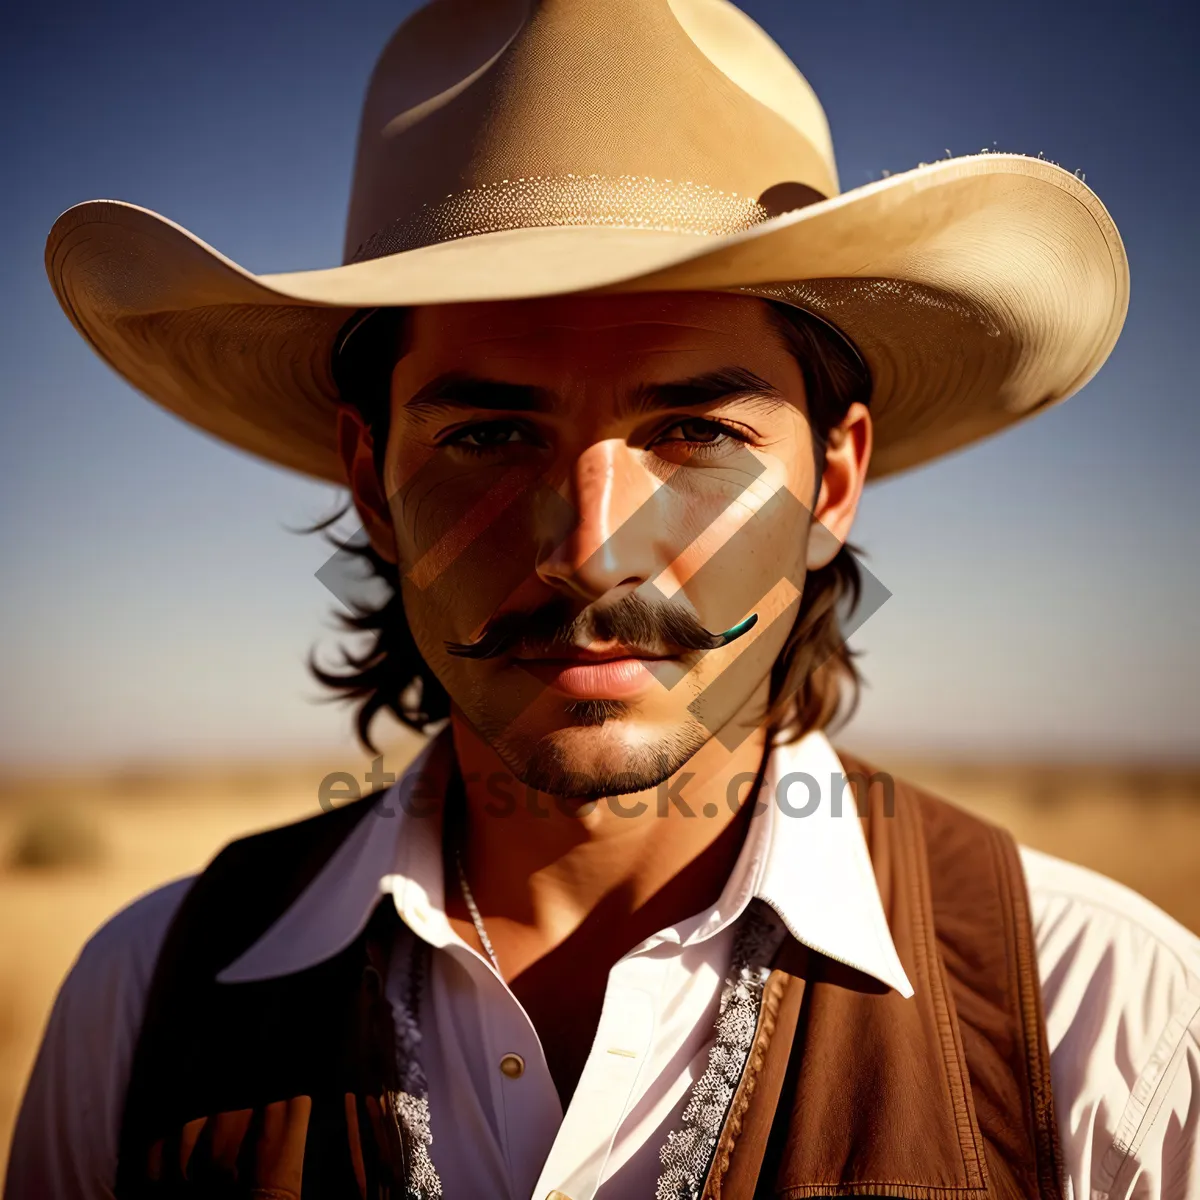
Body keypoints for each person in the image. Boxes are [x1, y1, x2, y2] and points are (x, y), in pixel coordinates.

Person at [8, 1, 1198, 1197]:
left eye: (693, 431)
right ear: (372, 484)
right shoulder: (142, 1005)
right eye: (487, 433)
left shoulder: (1114, 1033)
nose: (589, 548)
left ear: (832, 480)